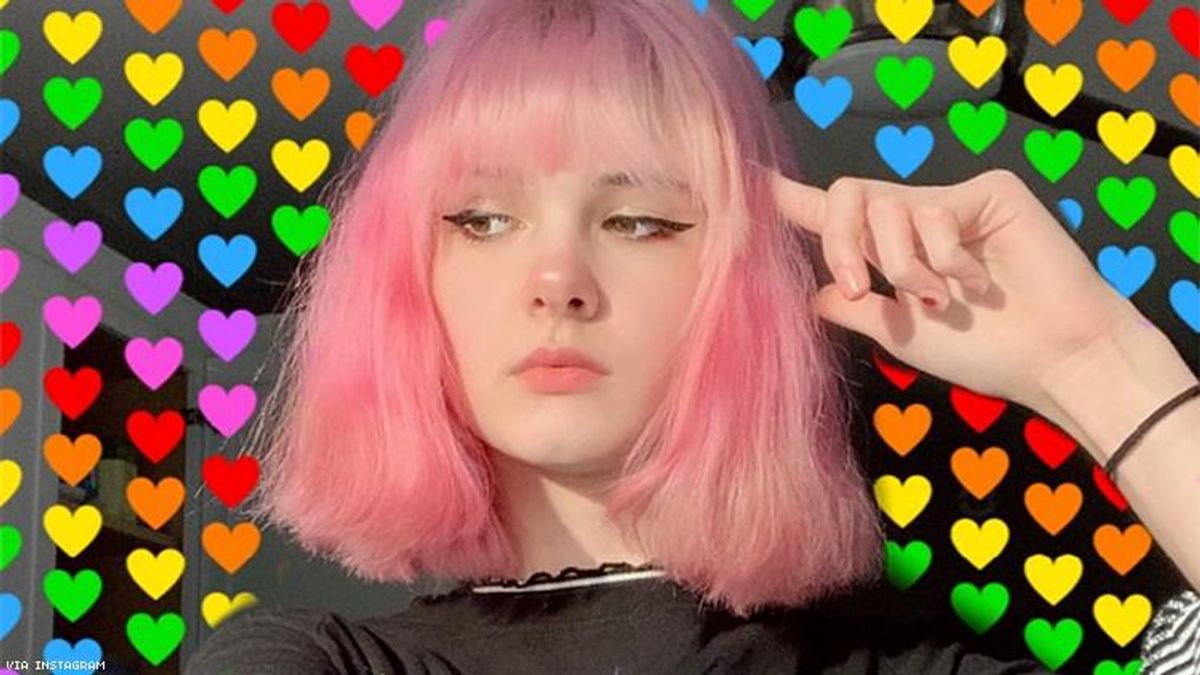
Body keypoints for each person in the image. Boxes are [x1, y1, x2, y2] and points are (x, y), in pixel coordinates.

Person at [184, 0, 1200, 673]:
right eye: (483, 219)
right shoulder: (309, 662)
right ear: (410, 282)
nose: (556, 281)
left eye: (639, 221)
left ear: (735, 288)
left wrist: (1099, 364)